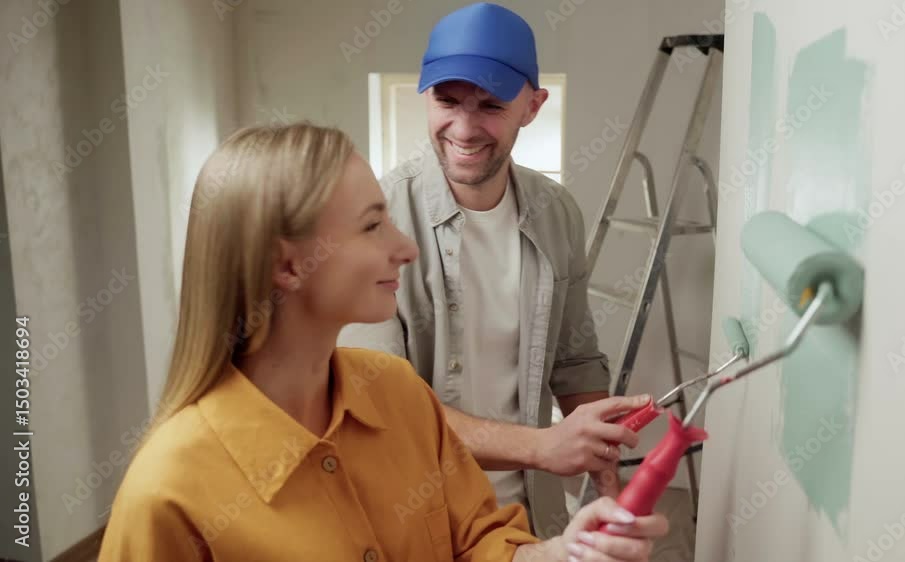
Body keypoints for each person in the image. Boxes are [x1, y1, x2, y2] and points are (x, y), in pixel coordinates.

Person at [96, 123, 668, 561]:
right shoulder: (167, 494)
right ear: (287, 265)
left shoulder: (397, 393)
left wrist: (564, 553)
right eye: (372, 225)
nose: (407, 248)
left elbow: (478, 544)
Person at [338, 2, 653, 538]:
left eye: (490, 105)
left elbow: (575, 362)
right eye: (447, 101)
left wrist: (606, 469)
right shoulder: (375, 217)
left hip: (528, 514)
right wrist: (543, 446)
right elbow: (382, 406)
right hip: (415, 517)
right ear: (424, 94)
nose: (464, 128)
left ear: (532, 106)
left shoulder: (556, 212)